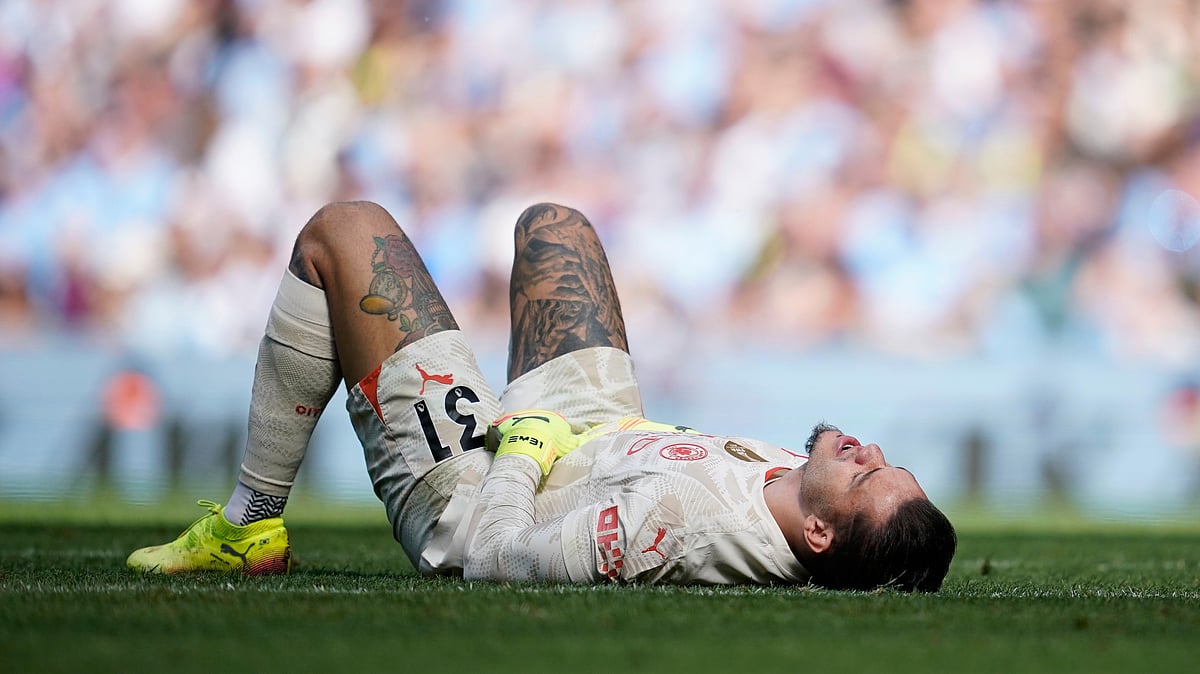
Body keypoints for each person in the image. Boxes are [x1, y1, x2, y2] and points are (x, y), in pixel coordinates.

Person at [127, 201, 957, 591]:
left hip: (487, 488)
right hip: (598, 432)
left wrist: (521, 448)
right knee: (556, 228)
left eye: (862, 478)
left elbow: (492, 560)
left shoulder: (668, 523)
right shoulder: (802, 501)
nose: (866, 452)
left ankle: (246, 526)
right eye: (889, 463)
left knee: (344, 235)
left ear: (817, 532)